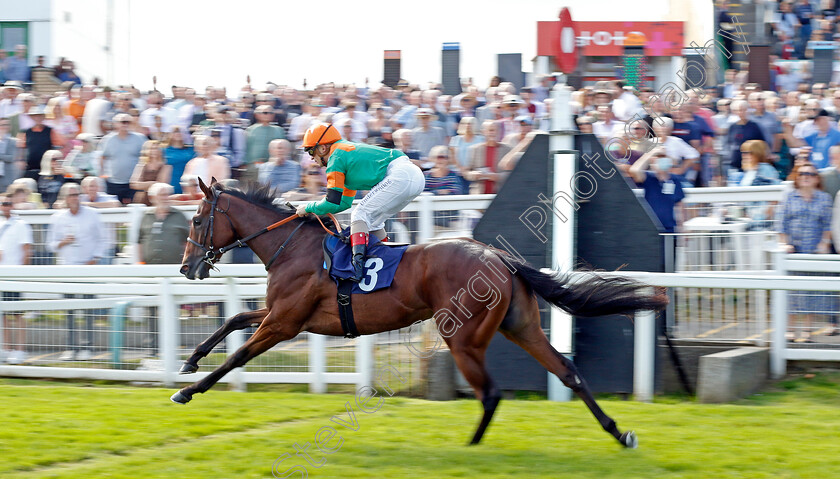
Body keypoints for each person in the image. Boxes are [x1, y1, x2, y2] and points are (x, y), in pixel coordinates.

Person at [295, 123, 425, 282]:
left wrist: (308, 207)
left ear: (323, 149)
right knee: (373, 222)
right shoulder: (343, 154)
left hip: (401, 174)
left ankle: (356, 268)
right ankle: (384, 262)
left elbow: (331, 201)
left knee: (360, 213)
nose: (311, 157)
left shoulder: (336, 158)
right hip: (411, 175)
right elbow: (343, 204)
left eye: (310, 151)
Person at [46, 183, 107, 360]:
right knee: (69, 310)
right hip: (67, 269)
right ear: (65, 198)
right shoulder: (57, 217)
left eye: (76, 194)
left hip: (88, 268)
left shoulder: (92, 214)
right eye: (71, 195)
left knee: (88, 309)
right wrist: (63, 242)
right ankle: (71, 347)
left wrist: (94, 258)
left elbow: (103, 240)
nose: (74, 198)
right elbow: (50, 245)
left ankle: (87, 347)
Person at [777, 163, 834, 341]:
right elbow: (781, 224)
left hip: (814, 251)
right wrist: (785, 244)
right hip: (794, 250)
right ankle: (791, 329)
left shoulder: (824, 199)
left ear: (816, 178)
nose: (805, 176)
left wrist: (824, 243)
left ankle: (808, 330)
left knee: (812, 291)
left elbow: (827, 225)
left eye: (810, 174)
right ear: (797, 178)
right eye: (802, 174)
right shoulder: (788, 197)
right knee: (791, 291)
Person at [0, 193, 32, 364]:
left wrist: (22, 275)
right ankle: (6, 348)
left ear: (13, 205)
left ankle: (20, 350)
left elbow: (27, 250)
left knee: (18, 314)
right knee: (3, 314)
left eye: (8, 203)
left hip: (14, 275)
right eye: (3, 203)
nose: (5, 206)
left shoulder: (20, 225)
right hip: (2, 277)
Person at [628, 145, 685, 234]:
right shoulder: (648, 177)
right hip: (650, 228)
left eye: (664, 157)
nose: (662, 160)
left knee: (669, 247)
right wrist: (650, 154)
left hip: (669, 229)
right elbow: (634, 170)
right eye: (658, 158)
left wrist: (681, 229)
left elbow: (679, 206)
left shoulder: (675, 180)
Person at [99, 113, 147, 204]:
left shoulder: (140, 138)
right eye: (123, 122)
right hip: (114, 183)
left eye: (128, 122)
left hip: (134, 183)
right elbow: (102, 158)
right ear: (115, 124)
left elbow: (147, 156)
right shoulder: (108, 140)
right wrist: (103, 175)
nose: (125, 124)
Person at [466, 121, 512, 194]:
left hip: (500, 193)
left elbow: (512, 173)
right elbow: (467, 172)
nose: (493, 133)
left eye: (496, 130)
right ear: (483, 132)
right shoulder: (475, 149)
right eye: (490, 130)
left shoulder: (507, 149)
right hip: (479, 193)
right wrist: (474, 174)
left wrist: (498, 176)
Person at [244, 104, 286, 182]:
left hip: (273, 166)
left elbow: (284, 147)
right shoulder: (249, 130)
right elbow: (245, 147)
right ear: (256, 115)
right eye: (265, 112)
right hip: (253, 166)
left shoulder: (279, 130)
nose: (269, 115)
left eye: (271, 113)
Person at [17, 106, 60, 181]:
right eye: (35, 116)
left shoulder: (50, 131)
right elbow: (20, 147)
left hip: (47, 168)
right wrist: (21, 160)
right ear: (32, 118)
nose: (38, 118)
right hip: (30, 167)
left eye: (40, 116)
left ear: (43, 117)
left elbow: (59, 145)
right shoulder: (25, 132)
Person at [130, 140, 172, 205]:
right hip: (141, 199)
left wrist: (143, 185)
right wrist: (153, 183)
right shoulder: (141, 165)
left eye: (156, 148)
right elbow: (134, 184)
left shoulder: (166, 166)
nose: (154, 151)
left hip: (158, 199)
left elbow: (162, 184)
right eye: (152, 148)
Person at [163, 127, 194, 194]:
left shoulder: (191, 149)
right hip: (171, 183)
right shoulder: (164, 150)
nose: (178, 134)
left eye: (181, 132)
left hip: (189, 185)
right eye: (175, 131)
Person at [0, 117, 20, 193]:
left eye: (7, 124)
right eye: (2, 125)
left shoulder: (14, 141)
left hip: (7, 179)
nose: (5, 127)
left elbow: (12, 158)